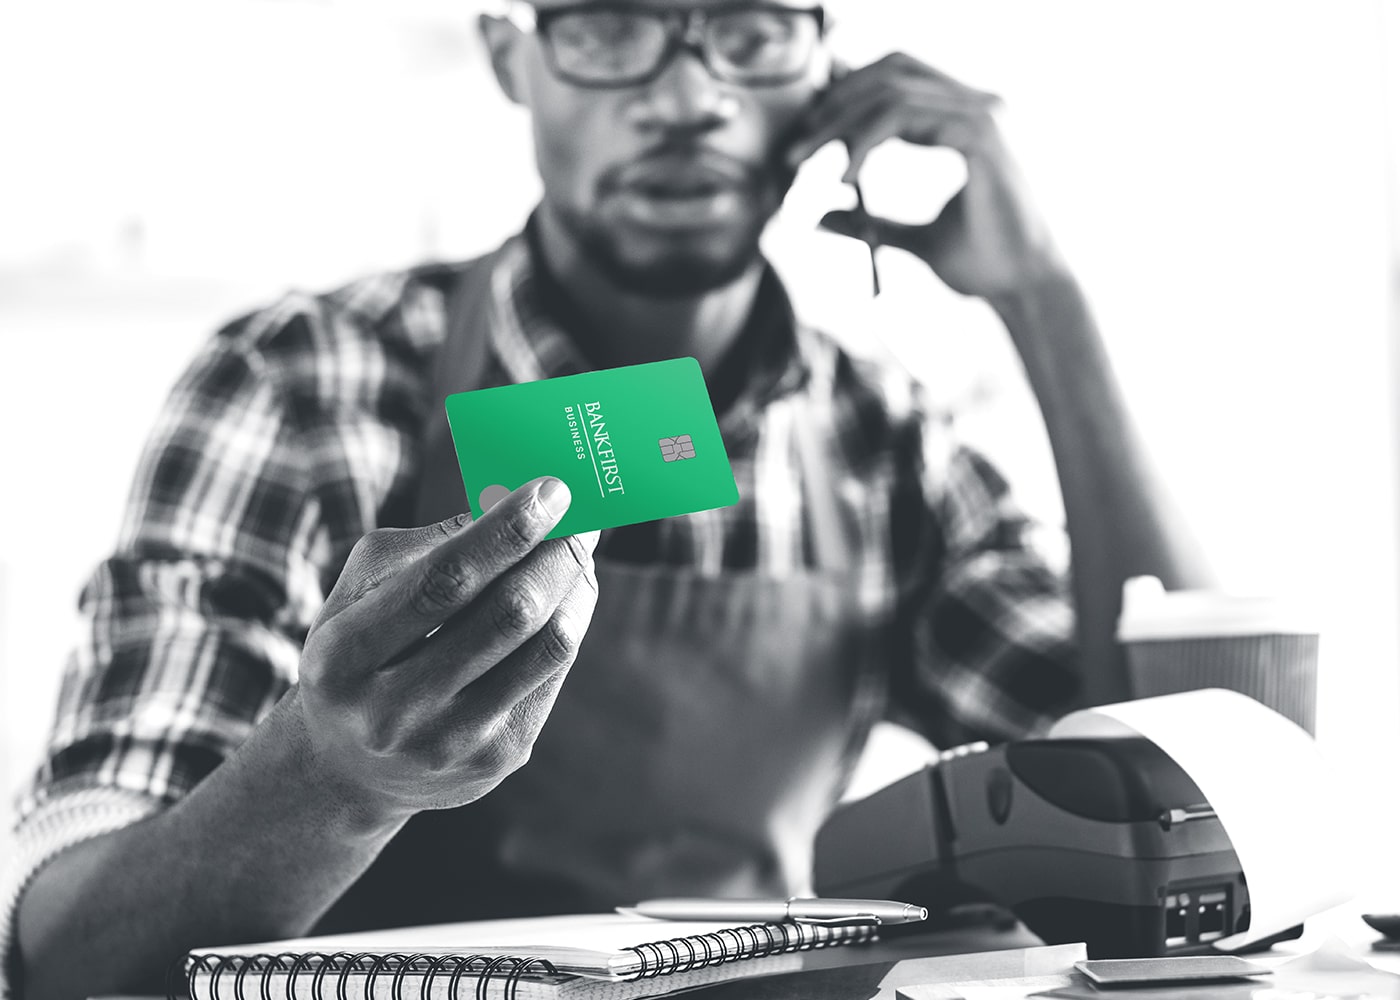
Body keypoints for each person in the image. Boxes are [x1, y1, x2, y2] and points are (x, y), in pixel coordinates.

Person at [4, 2, 1211, 997]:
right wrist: (333, 776)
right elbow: (68, 958)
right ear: (507, 54)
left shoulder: (883, 437)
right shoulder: (299, 385)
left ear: (828, 68)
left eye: (748, 30)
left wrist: (1045, 301)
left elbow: (1199, 776)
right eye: (609, 25)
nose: (688, 97)